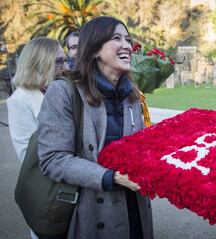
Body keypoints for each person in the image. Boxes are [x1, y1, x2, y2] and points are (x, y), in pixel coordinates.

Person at [37, 16, 153, 239]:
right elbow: (53, 158)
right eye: (117, 38)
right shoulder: (63, 92)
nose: (127, 46)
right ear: (94, 49)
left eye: (128, 40)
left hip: (136, 209)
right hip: (93, 211)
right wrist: (111, 177)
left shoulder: (133, 94)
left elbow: (142, 146)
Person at [7, 37, 69, 239]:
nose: (66, 66)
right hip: (50, 192)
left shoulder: (63, 90)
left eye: (65, 60)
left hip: (74, 183)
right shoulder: (20, 100)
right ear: (41, 62)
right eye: (59, 61)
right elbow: (27, 154)